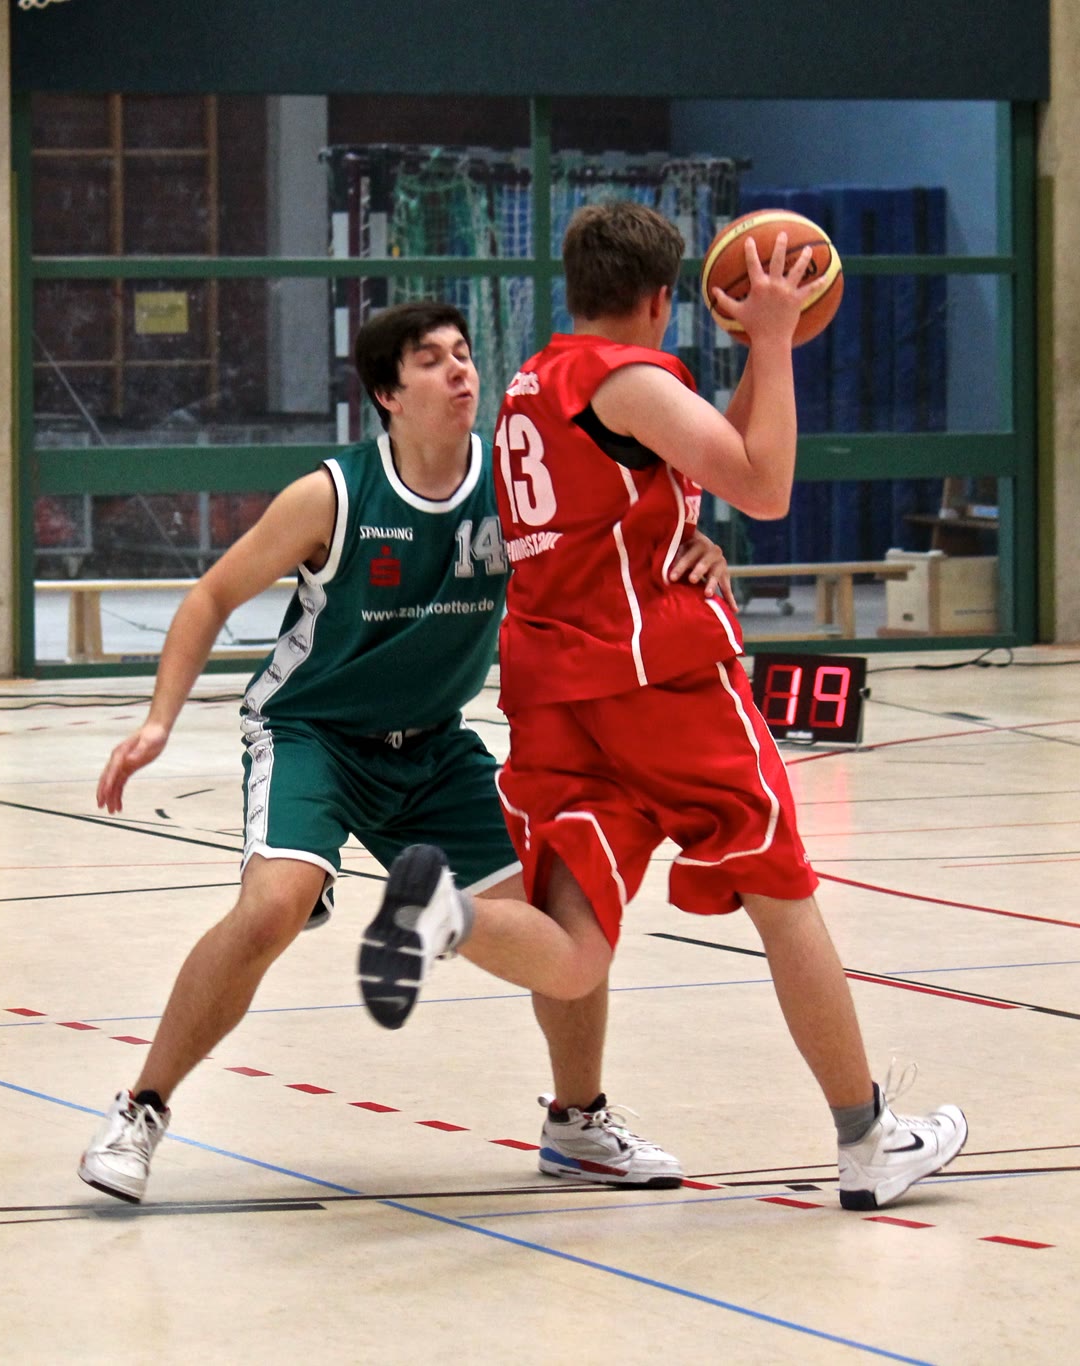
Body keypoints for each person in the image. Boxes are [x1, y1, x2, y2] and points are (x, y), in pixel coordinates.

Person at [376, 201, 966, 1212]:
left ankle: (486, 972)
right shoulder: (629, 380)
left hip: (554, 689)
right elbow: (764, 483)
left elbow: (672, 469)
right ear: (661, 298)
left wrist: (684, 526)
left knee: (575, 935)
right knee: (781, 888)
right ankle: (866, 1137)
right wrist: (772, 338)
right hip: (657, 680)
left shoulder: (531, 385)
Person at [77, 301, 730, 1203]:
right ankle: (141, 1108)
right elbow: (211, 597)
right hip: (314, 733)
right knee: (272, 910)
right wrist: (159, 721)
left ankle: (577, 1122)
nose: (460, 371)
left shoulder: (516, 485)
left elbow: (622, 537)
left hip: (433, 749)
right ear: (387, 393)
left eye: (464, 354)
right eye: (431, 360)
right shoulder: (333, 495)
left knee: (561, 918)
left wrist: (698, 548)